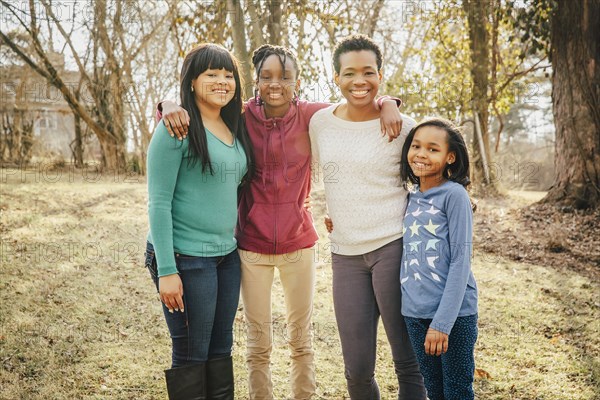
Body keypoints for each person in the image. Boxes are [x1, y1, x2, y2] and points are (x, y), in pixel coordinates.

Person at [157, 44, 405, 400]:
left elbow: (355, 105)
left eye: (285, 77)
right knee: (258, 343)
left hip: (298, 245)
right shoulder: (238, 115)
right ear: (255, 81)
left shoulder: (312, 116)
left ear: (297, 82)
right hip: (250, 246)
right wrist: (166, 104)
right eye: (268, 77)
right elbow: (192, 111)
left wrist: (389, 102)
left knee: (301, 340)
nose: (276, 84)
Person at [309, 34, 427, 399]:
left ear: (380, 75)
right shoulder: (320, 123)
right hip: (344, 253)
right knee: (357, 369)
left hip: (395, 247)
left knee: (408, 360)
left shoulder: (404, 125)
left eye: (368, 72)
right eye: (349, 73)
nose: (359, 81)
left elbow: (431, 170)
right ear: (335, 78)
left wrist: (389, 103)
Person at [144, 43, 254, 400]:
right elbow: (158, 203)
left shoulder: (231, 124)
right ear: (191, 82)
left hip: (226, 256)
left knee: (221, 351)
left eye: (228, 75)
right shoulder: (176, 128)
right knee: (192, 353)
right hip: (185, 259)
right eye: (211, 74)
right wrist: (166, 270)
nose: (222, 81)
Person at [399, 118, 479, 400]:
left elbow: (461, 261)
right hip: (414, 313)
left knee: (456, 391)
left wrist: (441, 324)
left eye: (433, 149)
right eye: (416, 146)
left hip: (453, 316)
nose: (421, 154)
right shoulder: (408, 197)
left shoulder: (455, 196)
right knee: (434, 391)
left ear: (450, 157)